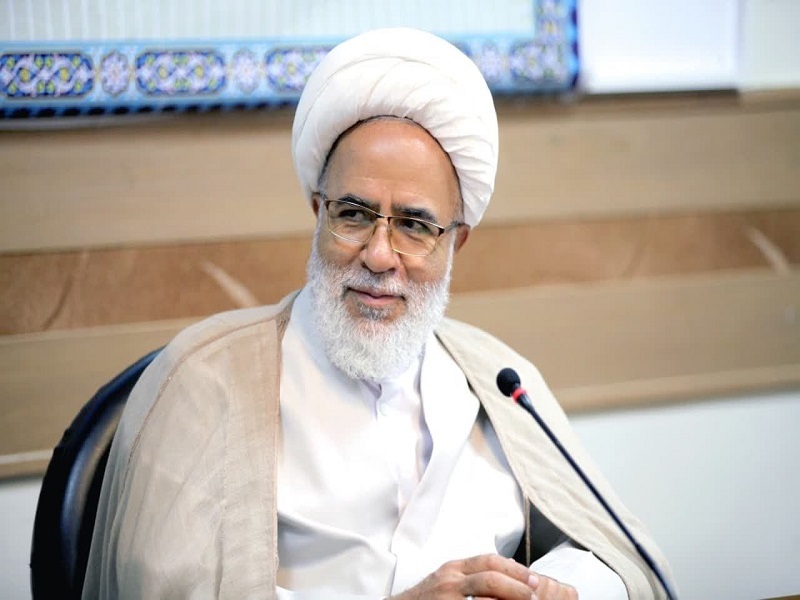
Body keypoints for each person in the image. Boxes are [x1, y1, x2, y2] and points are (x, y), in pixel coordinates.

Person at [83, 28, 675, 599]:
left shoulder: (500, 381)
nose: (379, 255)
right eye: (354, 215)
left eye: (415, 226)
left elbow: (617, 558)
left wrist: (554, 590)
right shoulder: (203, 381)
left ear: (455, 243)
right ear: (318, 212)